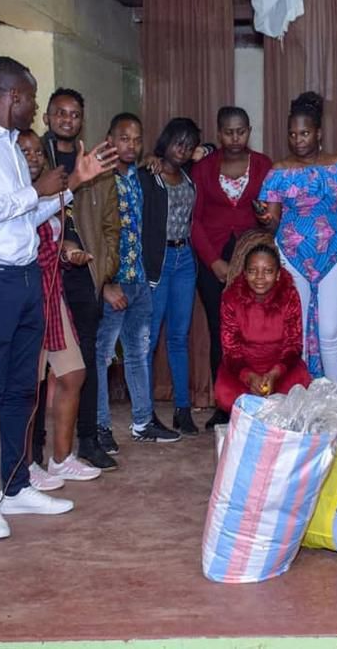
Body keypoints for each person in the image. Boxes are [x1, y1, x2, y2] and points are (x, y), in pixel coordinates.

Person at [0, 56, 115, 539]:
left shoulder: (11, 149)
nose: (35, 107)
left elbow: (25, 217)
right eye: (32, 98)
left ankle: (16, 488)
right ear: (11, 96)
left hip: (24, 281)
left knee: (23, 389)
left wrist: (73, 184)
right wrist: (34, 191)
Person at [40, 88, 119, 471]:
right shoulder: (33, 156)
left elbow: (111, 226)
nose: (66, 120)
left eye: (73, 114)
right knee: (40, 368)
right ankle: (38, 449)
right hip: (43, 274)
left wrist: (102, 274)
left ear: (81, 120)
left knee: (84, 360)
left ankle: (86, 440)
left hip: (85, 276)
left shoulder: (95, 163)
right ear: (47, 117)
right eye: (60, 113)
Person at [17, 130, 101, 488]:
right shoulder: (13, 196)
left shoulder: (51, 192)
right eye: (25, 151)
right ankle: (23, 464)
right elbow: (22, 228)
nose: (34, 157)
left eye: (38, 151)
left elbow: (50, 233)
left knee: (73, 374)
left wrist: (69, 251)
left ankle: (61, 459)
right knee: (26, 388)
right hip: (26, 300)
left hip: (53, 297)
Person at [95, 113, 181, 446]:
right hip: (112, 281)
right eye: (123, 138)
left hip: (139, 278)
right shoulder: (98, 179)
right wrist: (104, 284)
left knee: (137, 353)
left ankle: (143, 422)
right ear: (109, 139)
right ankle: (100, 428)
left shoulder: (138, 174)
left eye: (136, 139)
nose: (130, 145)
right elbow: (92, 234)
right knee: (102, 356)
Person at [262, 92, 337, 384]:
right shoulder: (278, 171)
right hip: (291, 254)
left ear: (318, 133)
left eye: (305, 133)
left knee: (329, 331)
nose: (298, 139)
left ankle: (335, 397)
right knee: (296, 330)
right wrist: (265, 218)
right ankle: (299, 395)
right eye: (293, 134)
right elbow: (272, 219)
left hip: (332, 252)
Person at [191, 106, 273, 427]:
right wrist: (214, 262)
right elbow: (194, 221)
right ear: (218, 132)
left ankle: (255, 404)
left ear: (249, 131)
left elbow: (270, 215)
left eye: (241, 131)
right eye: (228, 131)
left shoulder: (264, 165)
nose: (235, 137)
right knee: (220, 333)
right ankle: (224, 405)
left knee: (254, 333)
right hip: (213, 259)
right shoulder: (204, 168)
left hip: (254, 262)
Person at [144, 118, 201, 436]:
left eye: (189, 145)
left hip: (185, 260)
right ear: (165, 141)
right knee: (149, 340)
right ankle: (146, 412)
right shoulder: (148, 175)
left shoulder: (189, 175)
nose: (183, 150)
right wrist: (147, 160)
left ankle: (182, 410)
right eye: (178, 142)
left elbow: (214, 149)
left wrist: (202, 150)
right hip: (159, 261)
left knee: (179, 338)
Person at [216, 244, 313, 412]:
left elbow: (293, 345)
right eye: (253, 271)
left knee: (300, 387)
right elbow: (230, 350)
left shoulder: (289, 295)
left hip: (280, 367)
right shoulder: (231, 297)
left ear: (277, 275)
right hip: (244, 367)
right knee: (224, 395)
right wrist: (249, 376)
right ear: (245, 274)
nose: (259, 277)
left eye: (267, 271)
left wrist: (275, 373)